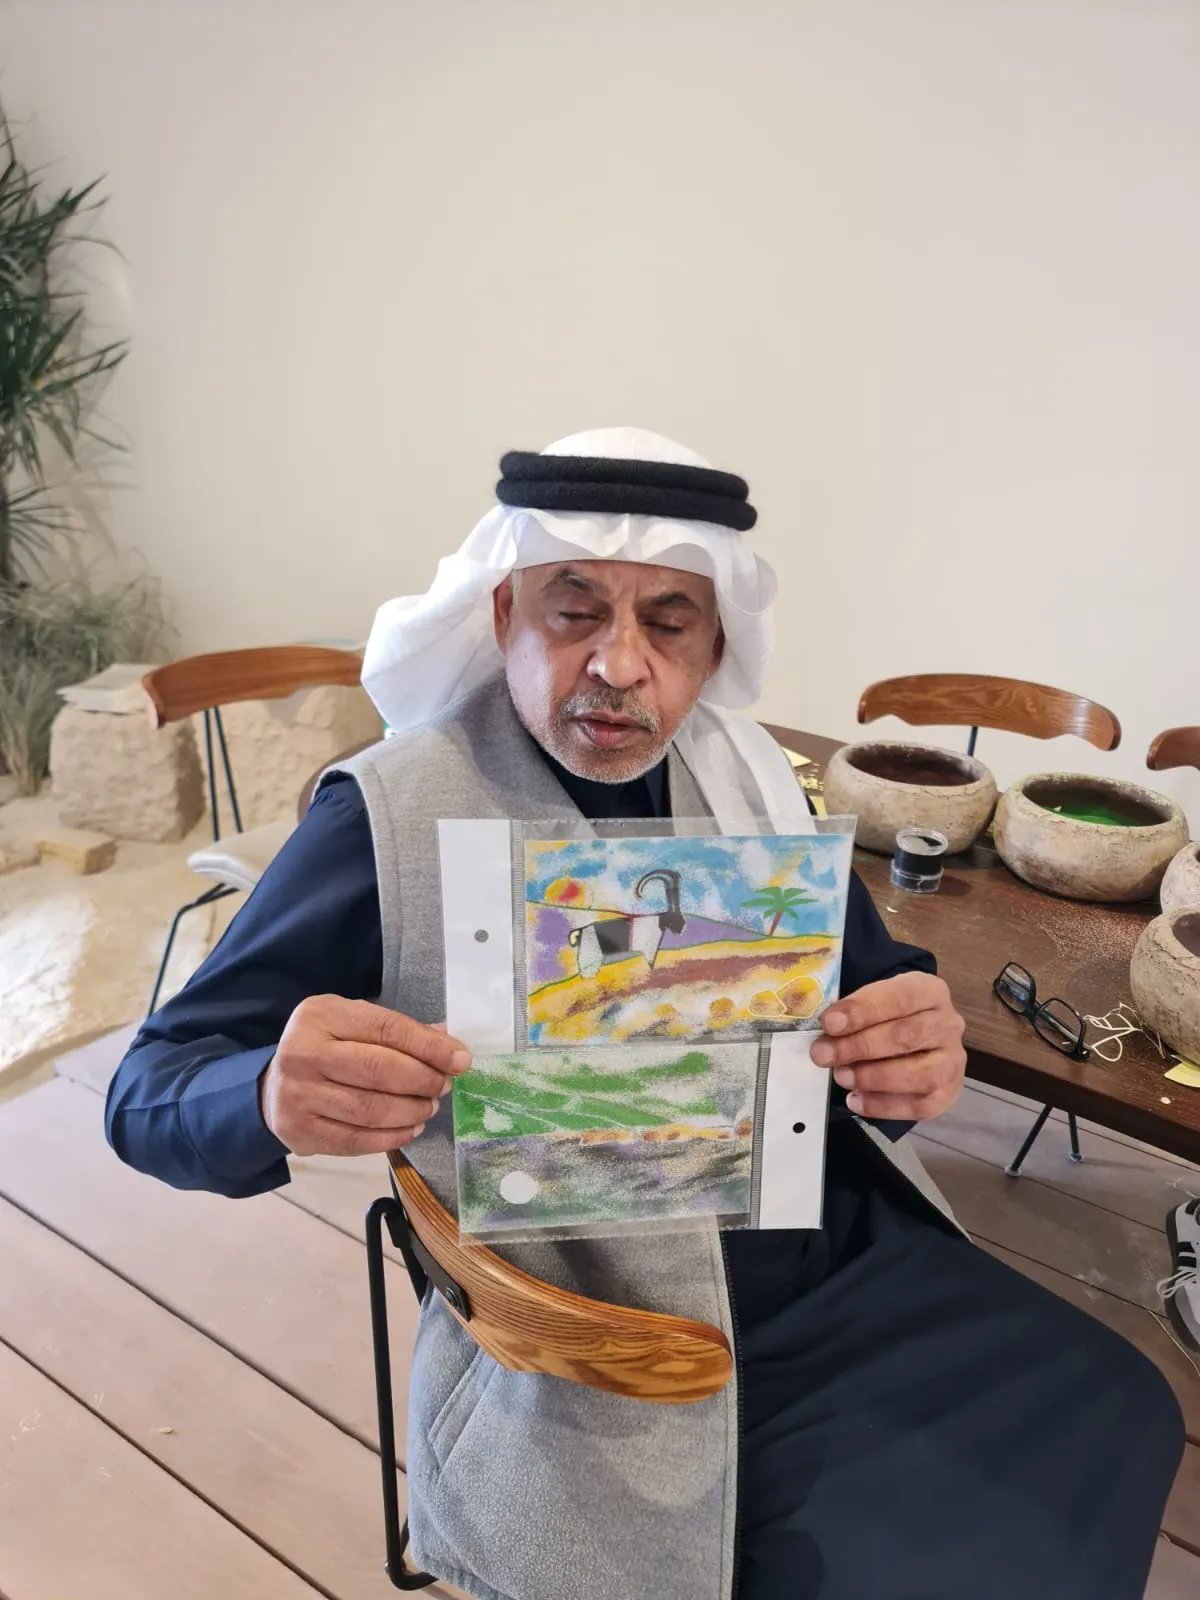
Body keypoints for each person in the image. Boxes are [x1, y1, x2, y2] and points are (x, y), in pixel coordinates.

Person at [107, 429, 1183, 1600]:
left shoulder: (751, 784)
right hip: (604, 1334)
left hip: (828, 1258)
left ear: (714, 646)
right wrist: (266, 1094)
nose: (620, 665)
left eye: (668, 624)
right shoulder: (389, 814)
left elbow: (872, 998)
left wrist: (910, 1050)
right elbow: (150, 1090)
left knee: (1122, 1405)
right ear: (504, 613)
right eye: (575, 613)